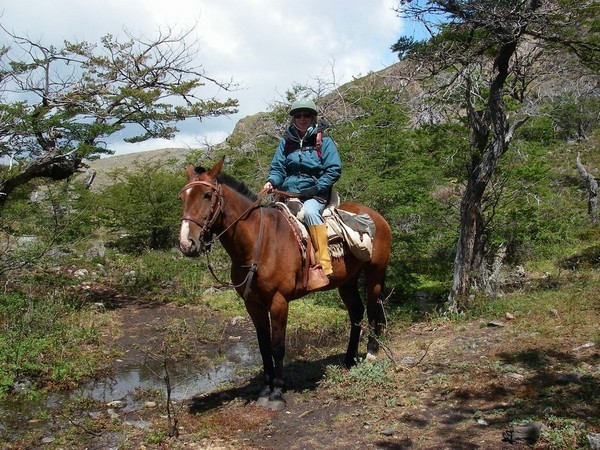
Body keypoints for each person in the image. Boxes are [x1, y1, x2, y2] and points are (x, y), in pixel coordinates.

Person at [263, 98, 342, 290]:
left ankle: (324, 266)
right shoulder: (286, 142)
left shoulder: (324, 141)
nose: (302, 118)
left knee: (310, 213)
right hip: (289, 193)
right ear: (293, 119)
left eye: (306, 115)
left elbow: (333, 169)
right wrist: (272, 181)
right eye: (298, 115)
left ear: (313, 117)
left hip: (316, 193)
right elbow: (278, 168)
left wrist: (316, 188)